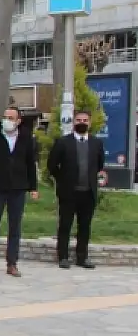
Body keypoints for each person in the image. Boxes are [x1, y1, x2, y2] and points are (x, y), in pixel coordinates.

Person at [0, 106, 39, 278]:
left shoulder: (26, 137)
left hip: (18, 188)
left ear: (18, 121)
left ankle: (12, 263)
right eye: (5, 117)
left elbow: (30, 164)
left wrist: (33, 187)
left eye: (11, 118)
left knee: (15, 226)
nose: (7, 120)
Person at [48, 109, 107, 269]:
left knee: (85, 226)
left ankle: (82, 257)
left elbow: (100, 164)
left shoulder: (96, 143)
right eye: (79, 120)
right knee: (65, 225)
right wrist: (62, 179)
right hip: (68, 192)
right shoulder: (63, 142)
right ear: (74, 122)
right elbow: (52, 165)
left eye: (85, 120)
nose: (82, 123)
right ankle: (63, 257)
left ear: (90, 122)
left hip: (88, 192)